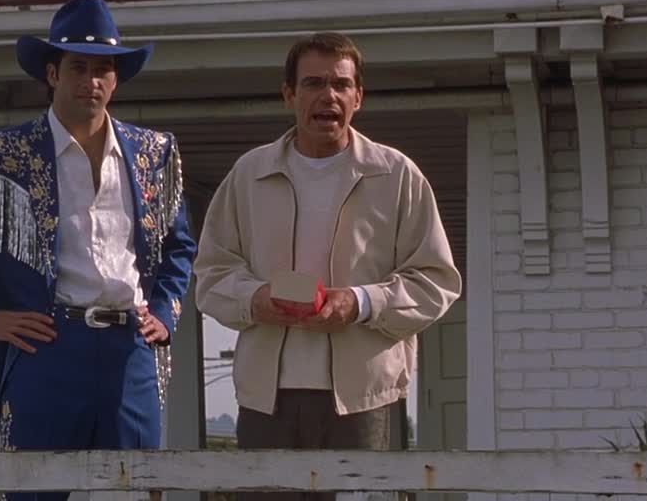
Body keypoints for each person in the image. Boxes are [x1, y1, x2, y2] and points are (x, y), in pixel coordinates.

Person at [0, 0, 196, 500]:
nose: (91, 81)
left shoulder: (154, 154)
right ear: (52, 73)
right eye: (78, 67)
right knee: (33, 492)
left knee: (137, 491)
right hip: (46, 346)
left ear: (116, 79)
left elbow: (179, 245)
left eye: (103, 69)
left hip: (131, 351)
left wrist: (164, 312)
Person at [193, 32, 461, 498]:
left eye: (341, 84)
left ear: (358, 97)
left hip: (362, 400)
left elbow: (436, 282)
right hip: (265, 400)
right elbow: (211, 273)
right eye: (314, 83)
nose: (328, 95)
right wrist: (254, 299)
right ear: (289, 95)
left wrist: (360, 303)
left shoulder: (397, 175)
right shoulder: (248, 174)